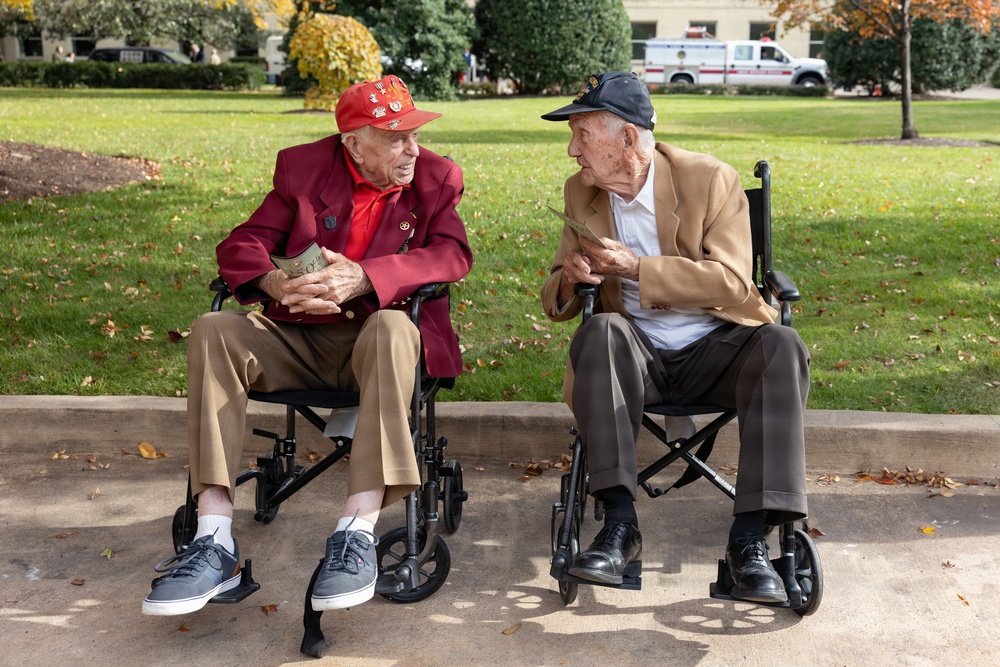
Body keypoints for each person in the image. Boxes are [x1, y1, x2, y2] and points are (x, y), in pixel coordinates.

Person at [142, 74, 473, 616]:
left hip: (380, 341)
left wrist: (366, 276)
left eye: (414, 133)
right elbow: (243, 242)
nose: (412, 148)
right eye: (395, 136)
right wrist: (274, 281)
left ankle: (357, 532)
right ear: (354, 144)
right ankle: (214, 535)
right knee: (213, 328)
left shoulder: (436, 178)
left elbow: (451, 255)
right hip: (301, 337)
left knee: (392, 328)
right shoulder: (303, 168)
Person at [539, 71, 809, 603]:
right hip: (634, 354)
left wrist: (640, 269)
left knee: (782, 344)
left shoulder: (709, 179)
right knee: (600, 331)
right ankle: (619, 526)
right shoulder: (582, 192)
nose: (572, 151)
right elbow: (555, 300)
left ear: (628, 139)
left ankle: (750, 540)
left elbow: (733, 282)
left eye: (581, 135)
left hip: (717, 348)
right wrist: (569, 275)